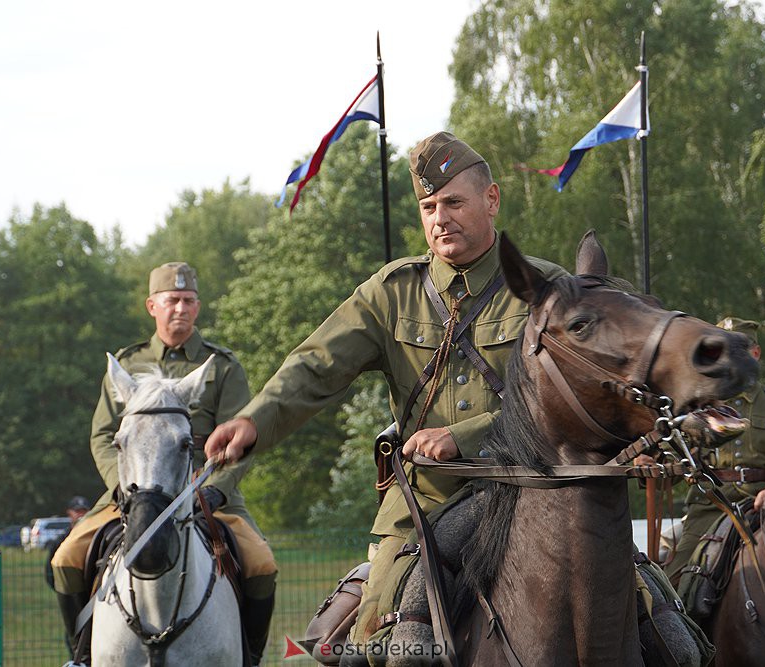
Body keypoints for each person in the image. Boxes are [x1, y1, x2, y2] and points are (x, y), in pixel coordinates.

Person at [205, 132, 566, 650]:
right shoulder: (391, 292)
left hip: (533, 490)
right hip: (424, 502)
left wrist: (465, 437)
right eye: (429, 205)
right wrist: (254, 420)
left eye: (454, 202)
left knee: (652, 618)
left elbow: (565, 400)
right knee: (383, 636)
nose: (440, 217)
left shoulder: (545, 289)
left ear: (491, 200)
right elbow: (315, 366)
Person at [50, 262, 277, 664]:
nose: (181, 308)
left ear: (198, 306)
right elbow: (103, 436)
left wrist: (214, 489)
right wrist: (123, 489)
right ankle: (81, 657)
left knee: (260, 564)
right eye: (172, 300)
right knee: (65, 559)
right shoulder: (126, 363)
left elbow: (241, 439)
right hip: (130, 496)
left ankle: (250, 657)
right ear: (151, 305)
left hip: (207, 494)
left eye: (189, 301)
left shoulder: (222, 366)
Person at [663, 316, 765, 585]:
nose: (728, 359)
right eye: (720, 352)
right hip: (710, 507)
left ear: (755, 353)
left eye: (737, 351)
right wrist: (658, 459)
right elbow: (669, 471)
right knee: (674, 585)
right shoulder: (695, 407)